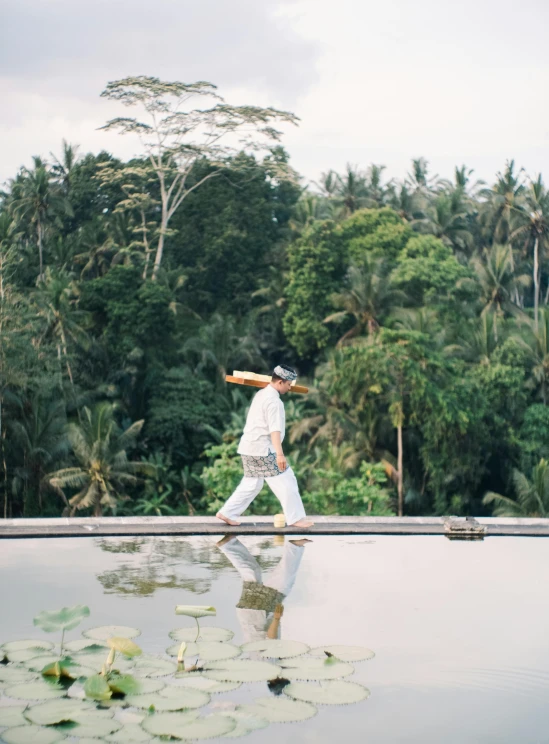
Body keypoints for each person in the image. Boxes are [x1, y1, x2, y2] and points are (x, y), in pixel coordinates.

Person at [216, 364, 314, 528]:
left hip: (248, 447)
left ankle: (226, 513)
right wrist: (279, 455)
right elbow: (274, 430)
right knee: (286, 479)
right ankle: (296, 518)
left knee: (252, 483)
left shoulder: (261, 394)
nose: (289, 389)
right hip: (262, 450)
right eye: (289, 385)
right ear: (281, 382)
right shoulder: (274, 401)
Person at [217, 534, 311, 643]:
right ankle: (228, 545)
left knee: (283, 586)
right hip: (246, 614)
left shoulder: (268, 660)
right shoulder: (253, 657)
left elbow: (270, 639)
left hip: (260, 616)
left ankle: (294, 547)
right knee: (252, 573)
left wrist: (276, 618)